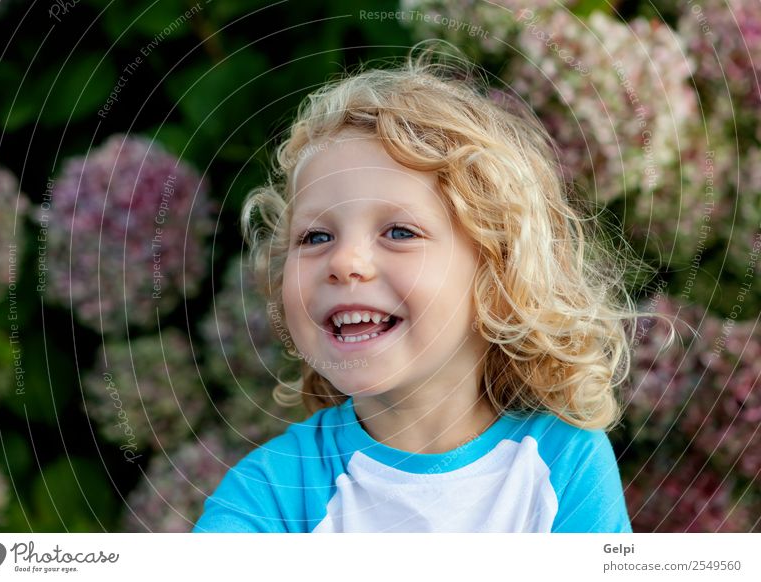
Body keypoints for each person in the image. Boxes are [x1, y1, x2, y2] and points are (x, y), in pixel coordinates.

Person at [193, 41, 675, 533]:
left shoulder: (562, 463)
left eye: (399, 233)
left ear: (499, 274)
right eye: (315, 237)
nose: (343, 261)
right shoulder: (268, 495)